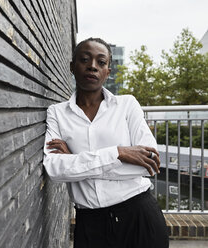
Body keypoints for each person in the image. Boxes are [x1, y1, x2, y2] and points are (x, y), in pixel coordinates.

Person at [43, 38, 169, 248]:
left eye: (101, 62)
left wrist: (76, 162)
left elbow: (150, 162)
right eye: (84, 59)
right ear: (72, 67)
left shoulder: (127, 105)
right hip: (90, 225)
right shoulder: (56, 113)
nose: (93, 66)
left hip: (139, 216)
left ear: (107, 72)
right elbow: (55, 169)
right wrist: (119, 153)